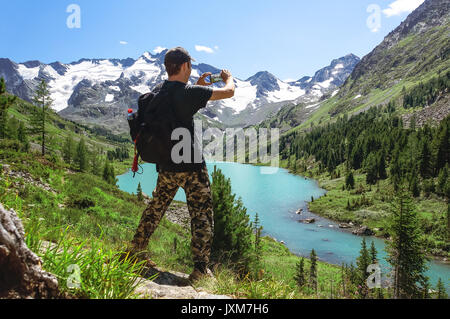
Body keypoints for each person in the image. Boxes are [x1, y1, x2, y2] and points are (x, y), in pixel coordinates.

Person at [127, 47, 235, 282]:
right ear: (185, 65)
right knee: (201, 215)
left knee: (156, 208)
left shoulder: (158, 92)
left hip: (166, 166)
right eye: (190, 65)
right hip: (192, 167)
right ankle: (199, 269)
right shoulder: (188, 93)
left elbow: (180, 103)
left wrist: (198, 84)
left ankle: (135, 250)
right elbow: (228, 92)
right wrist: (228, 78)